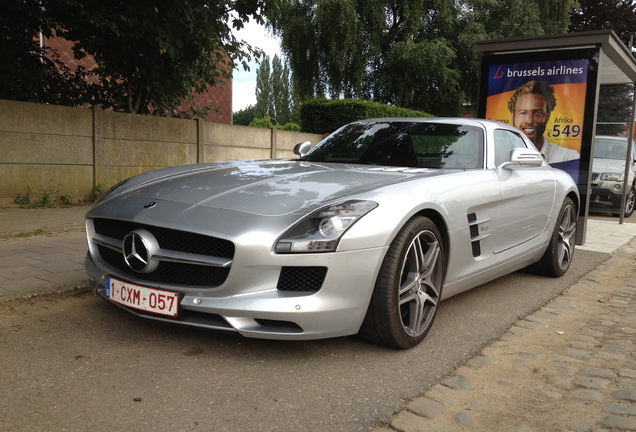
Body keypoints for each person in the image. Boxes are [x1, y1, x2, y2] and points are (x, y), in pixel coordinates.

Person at [507, 81, 580, 163]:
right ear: (512, 116)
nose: (529, 121)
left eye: (538, 113)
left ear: (547, 116)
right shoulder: (498, 154)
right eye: (523, 113)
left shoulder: (568, 157)